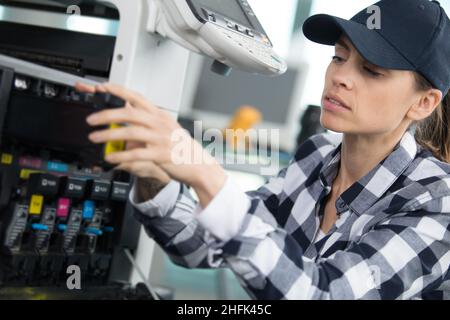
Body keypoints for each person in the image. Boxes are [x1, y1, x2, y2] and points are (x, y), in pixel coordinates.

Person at [76, 0, 450, 299]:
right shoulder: (316, 157)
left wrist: (203, 171)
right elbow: (200, 245)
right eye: (338, 57)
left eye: (371, 70)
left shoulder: (437, 203)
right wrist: (152, 167)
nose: (340, 76)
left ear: (423, 103)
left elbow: (322, 292)